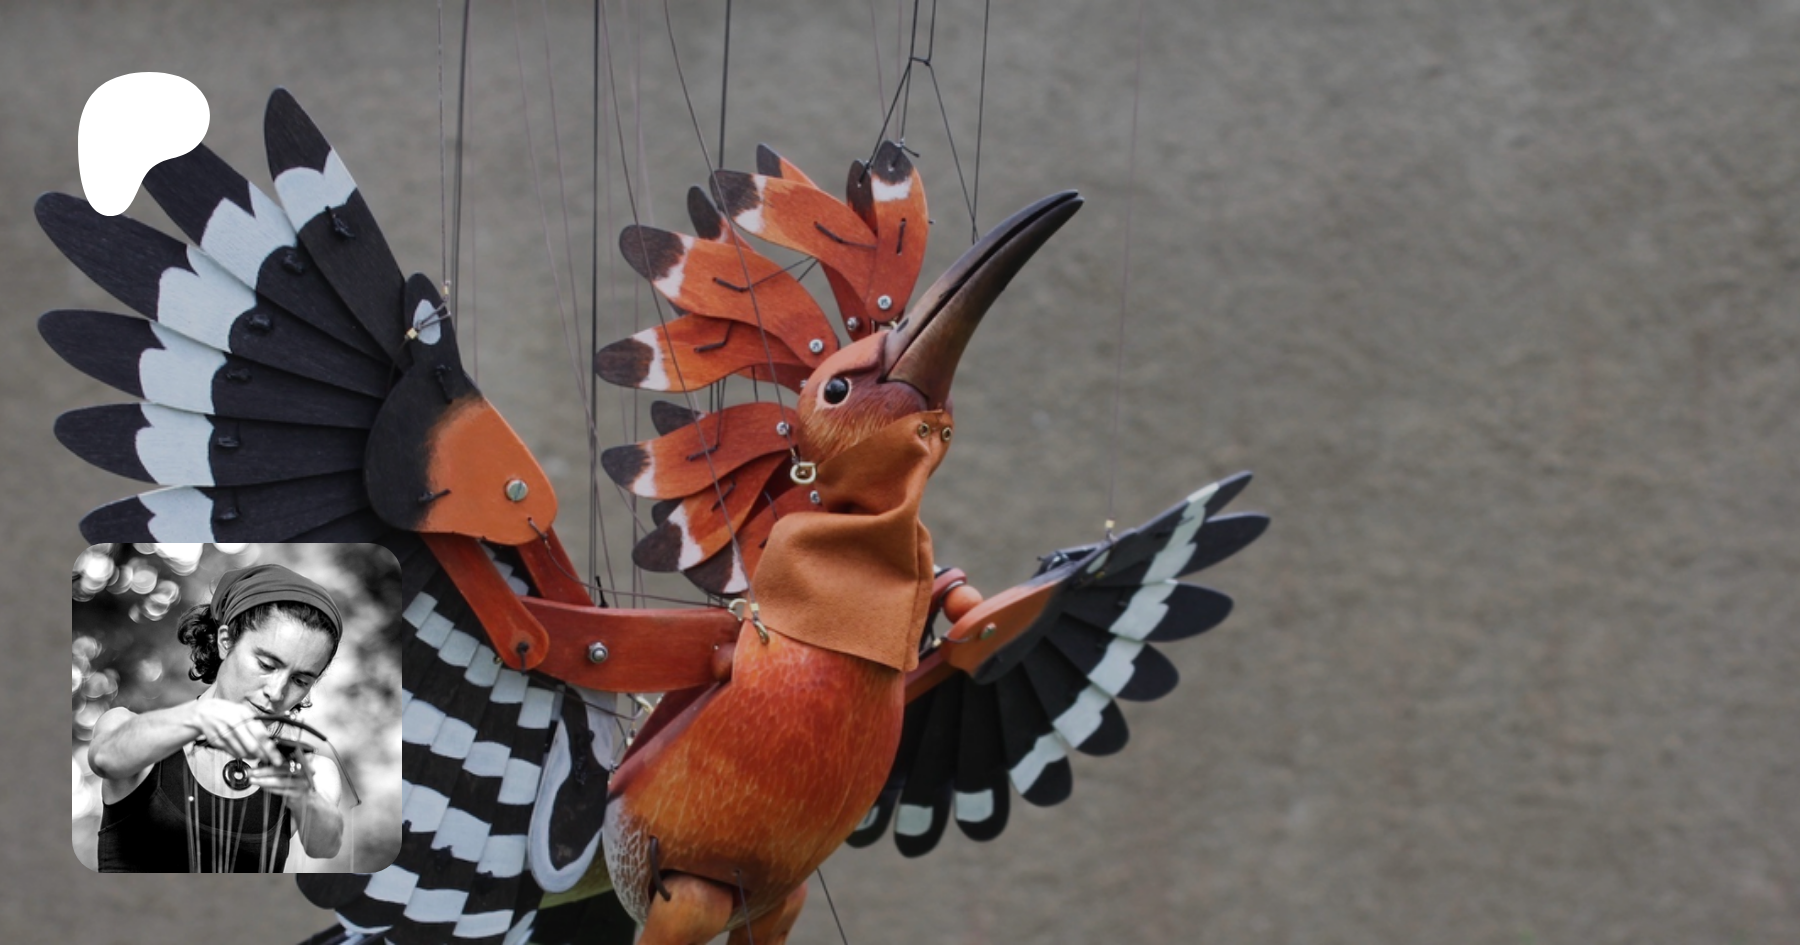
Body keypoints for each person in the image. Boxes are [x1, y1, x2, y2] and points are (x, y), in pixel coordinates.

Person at [89, 563, 347, 872]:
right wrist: (200, 716)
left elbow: (325, 845)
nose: (277, 692)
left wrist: (306, 798)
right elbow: (105, 758)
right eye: (266, 665)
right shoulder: (125, 725)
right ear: (226, 641)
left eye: (300, 680)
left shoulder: (313, 770)